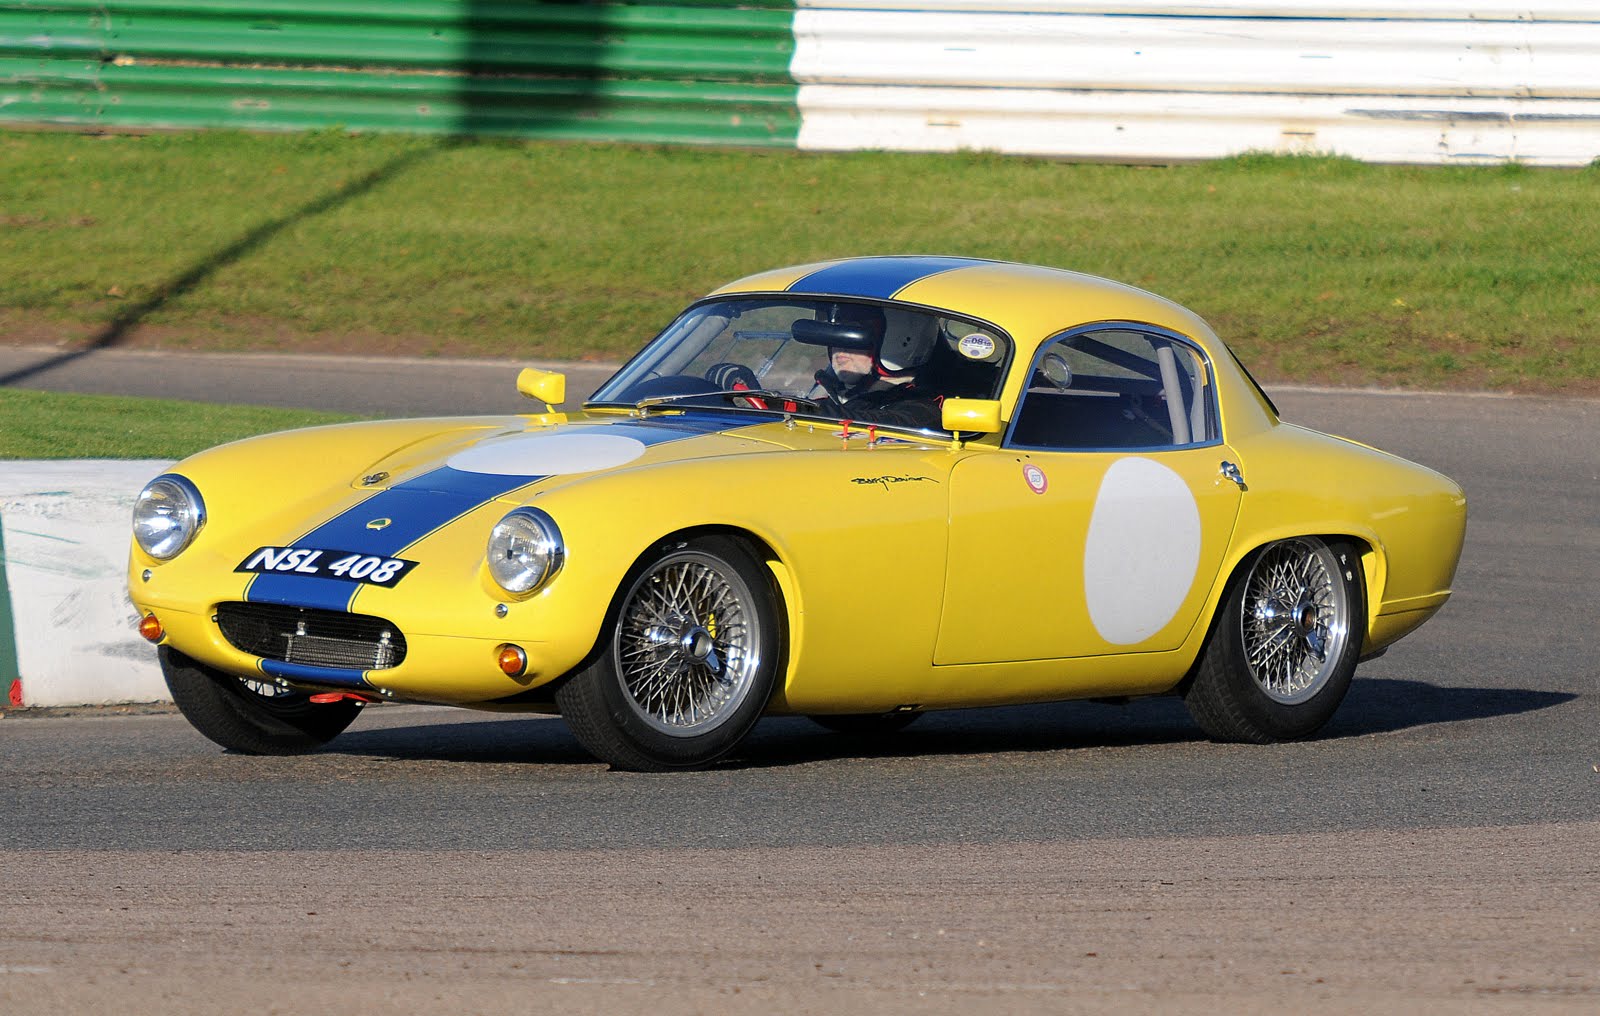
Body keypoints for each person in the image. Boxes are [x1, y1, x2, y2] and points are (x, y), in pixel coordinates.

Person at [810, 303, 942, 430]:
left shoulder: (921, 408)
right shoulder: (828, 391)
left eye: (851, 335)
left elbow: (881, 422)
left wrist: (809, 410)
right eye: (834, 335)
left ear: (897, 340)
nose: (839, 345)